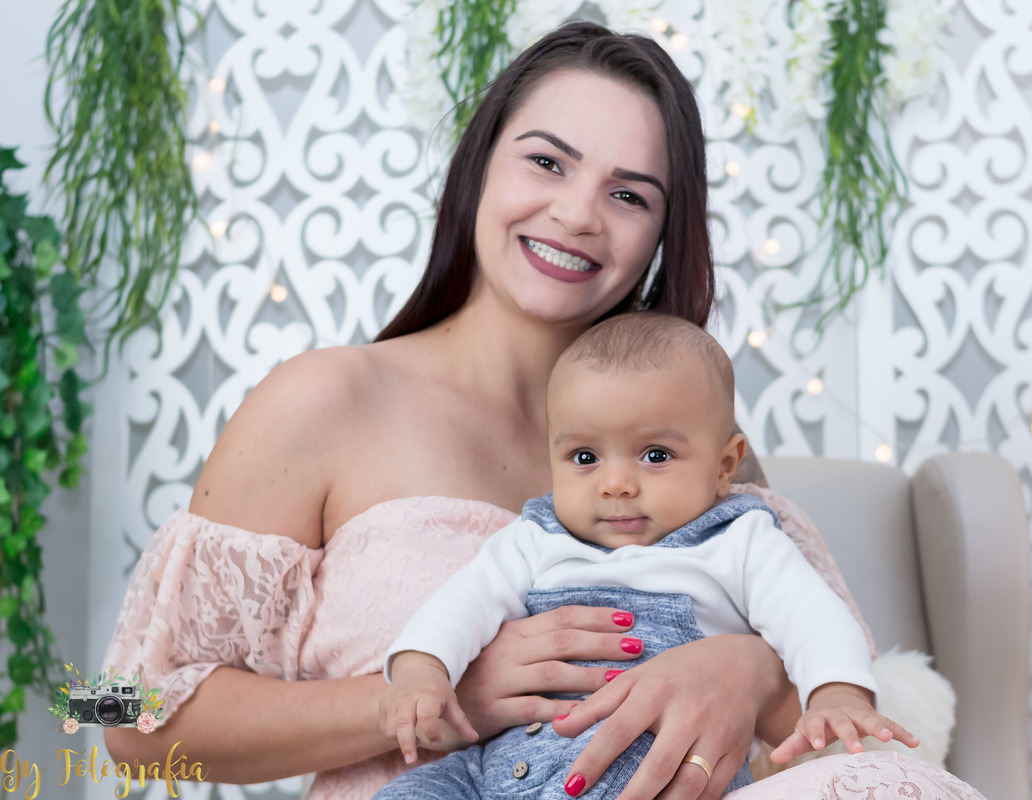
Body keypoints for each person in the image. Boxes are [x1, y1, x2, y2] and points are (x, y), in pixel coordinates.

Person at [102, 20, 986, 800]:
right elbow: (114, 712)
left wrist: (746, 670)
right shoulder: (323, 401)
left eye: (629, 193)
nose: (576, 214)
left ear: (661, 235)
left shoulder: (685, 447)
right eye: (547, 161)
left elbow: (830, 721)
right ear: (479, 163)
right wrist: (430, 698)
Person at [372, 312, 916, 800]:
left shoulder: (740, 540)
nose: (616, 484)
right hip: (494, 771)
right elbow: (459, 607)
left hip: (657, 773)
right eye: (584, 456)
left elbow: (813, 618)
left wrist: (836, 693)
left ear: (726, 465)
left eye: (655, 455)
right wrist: (422, 673)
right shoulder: (535, 539)